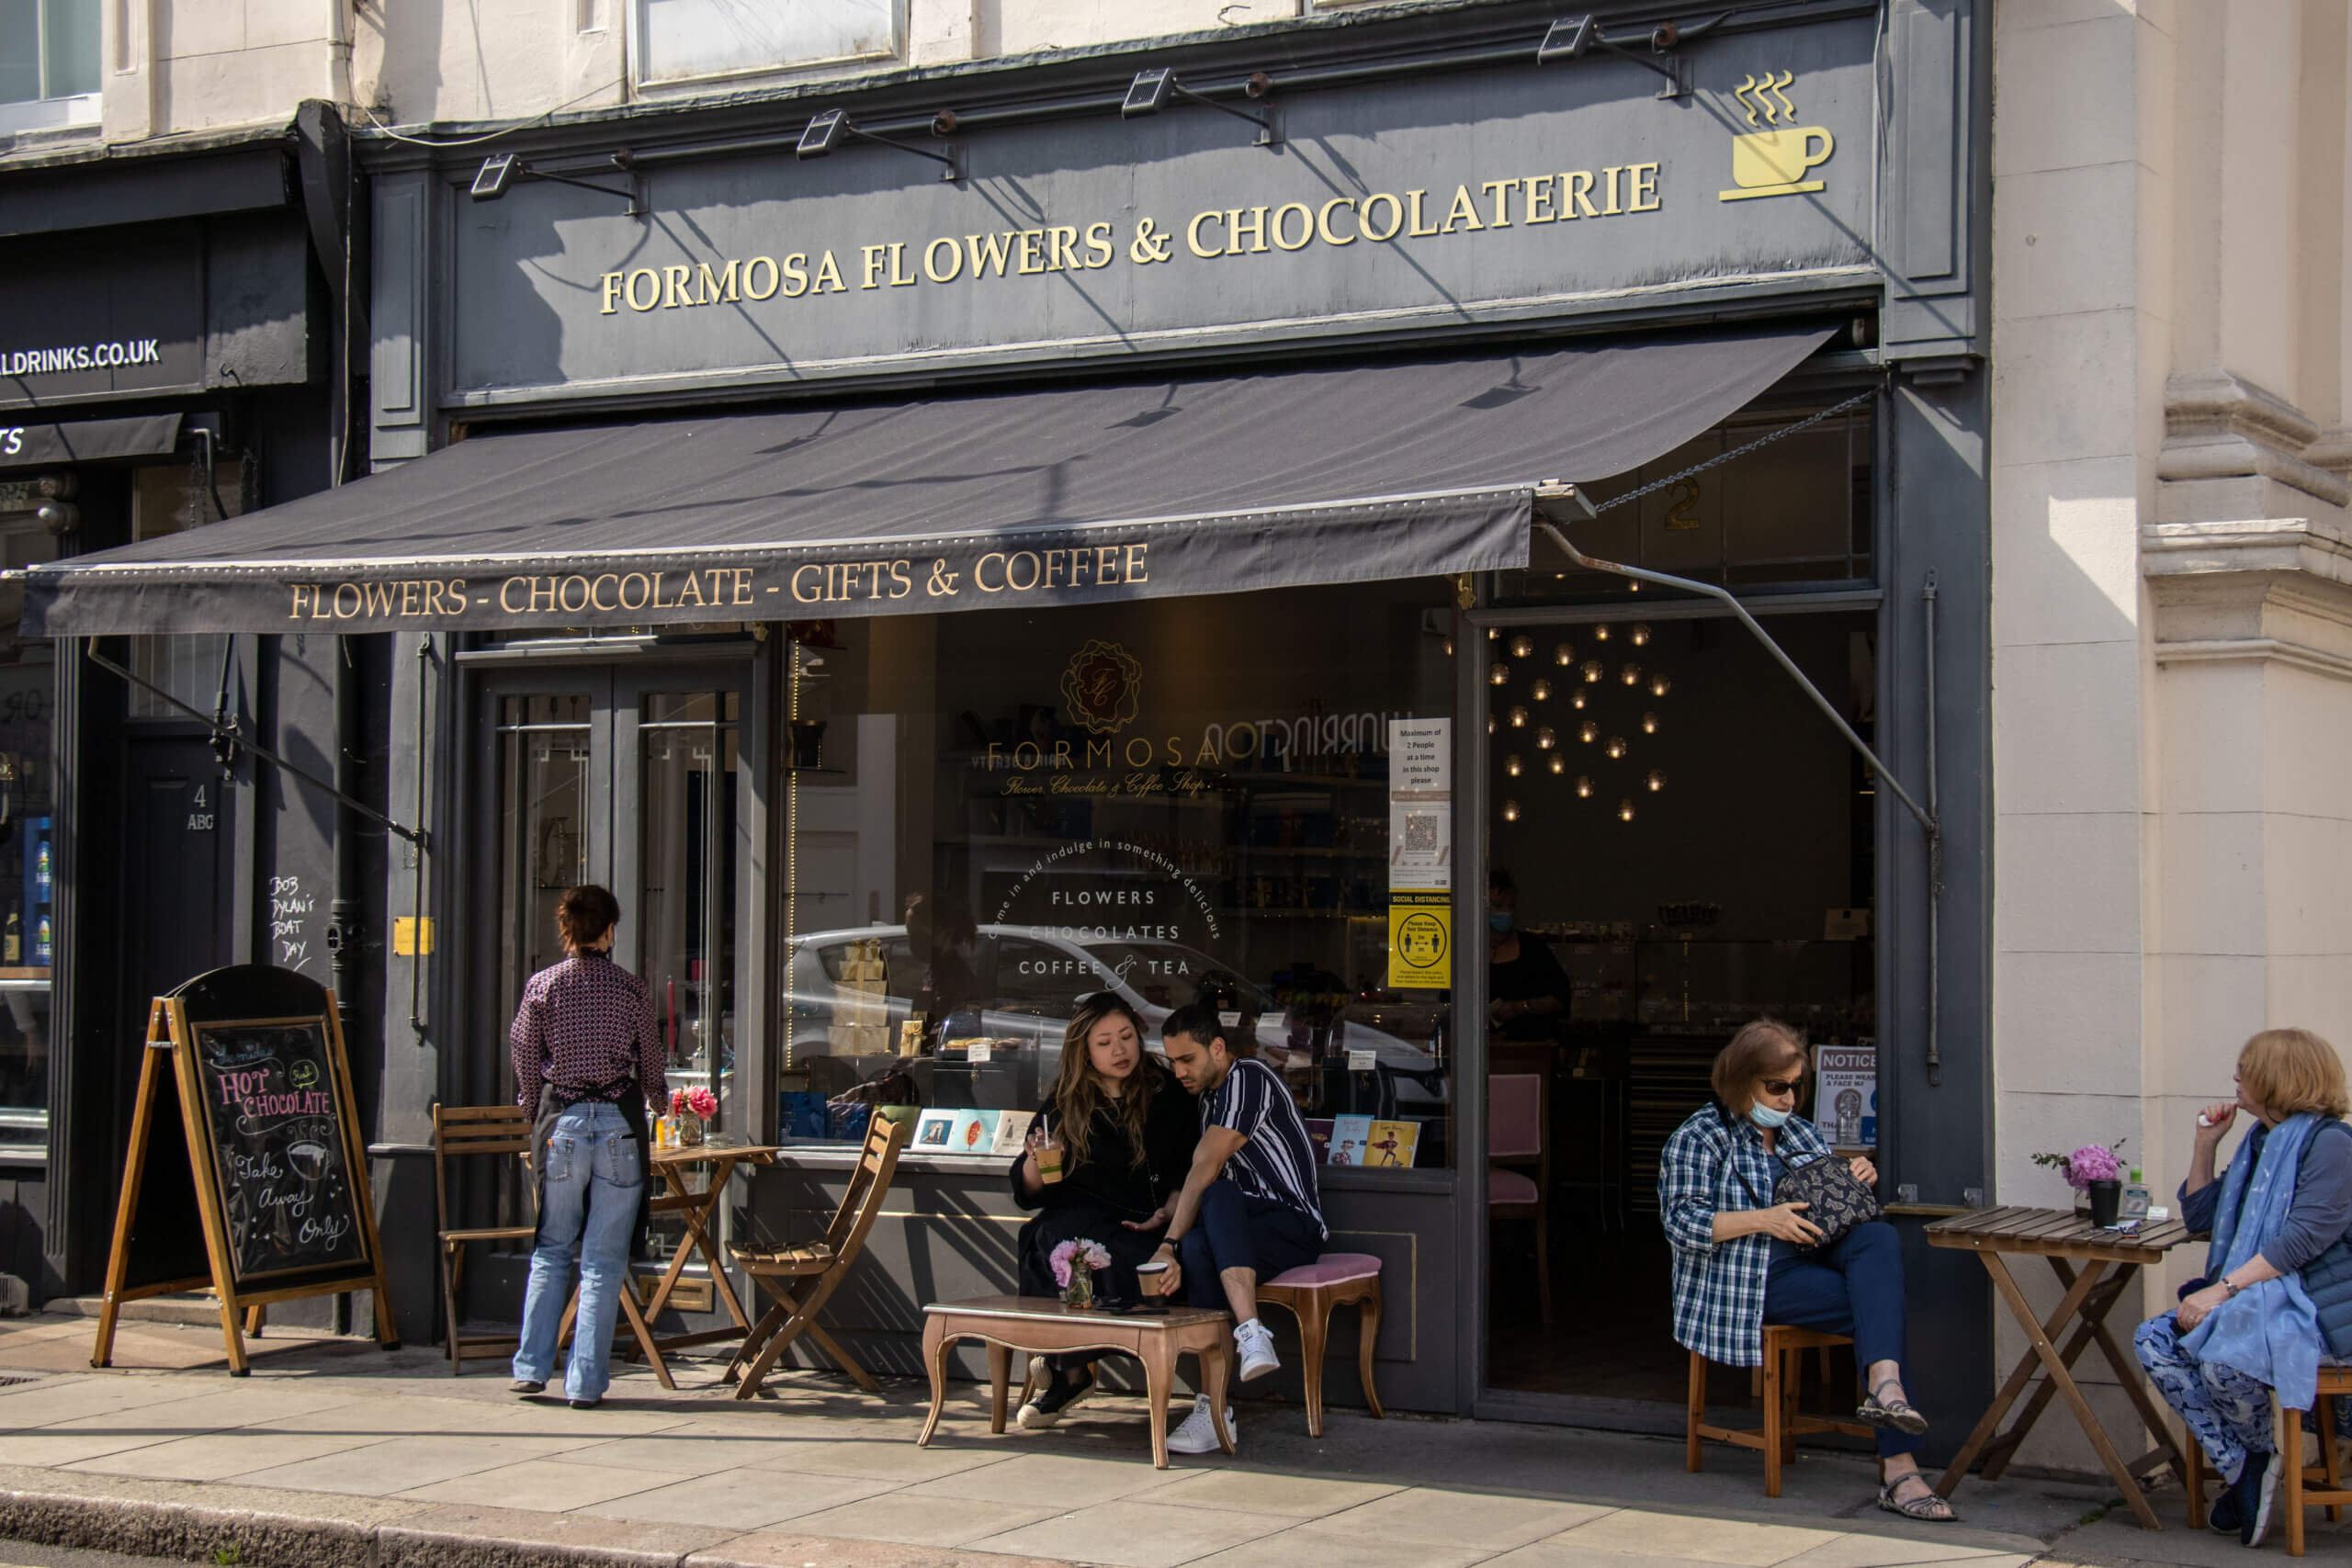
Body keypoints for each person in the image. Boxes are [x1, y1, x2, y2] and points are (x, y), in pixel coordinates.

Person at [1658, 1019, 1953, 1522]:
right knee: (1880, 1309)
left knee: (1878, 1236)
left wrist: (1856, 1172)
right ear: (1741, 1079)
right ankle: (1899, 1468)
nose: (1789, 1099)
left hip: (1814, 1256)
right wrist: (1764, 1220)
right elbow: (1680, 1222)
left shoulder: (1798, 1132)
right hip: (1749, 1278)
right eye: (1776, 1087)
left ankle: (1885, 1386)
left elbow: (1833, 1204)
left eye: (1796, 1086)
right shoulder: (1699, 1136)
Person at [2134, 1028, 2352, 1549]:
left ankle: (2252, 1469)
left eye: (2245, 1069)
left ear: (2278, 1079)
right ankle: (2249, 1465)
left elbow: (2303, 1238)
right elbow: (2203, 1215)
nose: (2235, 1078)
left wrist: (2221, 1291)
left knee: (2223, 1354)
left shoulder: (2331, 1146)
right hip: (2253, 1301)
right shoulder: (2262, 1141)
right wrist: (2205, 1145)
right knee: (2154, 1341)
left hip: (2315, 1309)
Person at [506, 885, 666, 1409]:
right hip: (618, 1127)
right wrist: (660, 1102)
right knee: (602, 1260)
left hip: (565, 1127)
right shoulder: (629, 988)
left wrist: (534, 1112)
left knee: (552, 1249)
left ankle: (531, 1368)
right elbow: (652, 1060)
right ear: (609, 929)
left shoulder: (543, 986)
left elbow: (524, 1053)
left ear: (566, 929)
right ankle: (585, 1384)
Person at [1009, 993, 1199, 1430]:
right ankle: (1070, 1371)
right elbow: (1027, 1189)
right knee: (1052, 1239)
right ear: (1085, 1050)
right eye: (1105, 1042)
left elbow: (1191, 1168)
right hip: (1078, 1217)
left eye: (1127, 1037)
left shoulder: (1165, 1092)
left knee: (1111, 1254)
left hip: (1145, 1222)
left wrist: (1169, 1210)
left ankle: (1061, 1362)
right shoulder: (1068, 1098)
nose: (1120, 1051)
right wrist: (1036, 1162)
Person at [1150, 1001, 1328, 1455]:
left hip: (1292, 1225)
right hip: (1243, 1230)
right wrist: (1173, 1228)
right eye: (1172, 1061)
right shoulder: (1207, 1097)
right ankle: (1215, 1409)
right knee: (1197, 1246)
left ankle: (1249, 1331)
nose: (1179, 1072)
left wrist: (1164, 1245)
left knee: (1213, 1200)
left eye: (1187, 1060)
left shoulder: (1248, 1078)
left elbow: (1207, 1164)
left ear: (1217, 1047)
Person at [1487, 867, 1567, 1041]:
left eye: (1511, 906)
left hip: (1529, 1053)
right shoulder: (1464, 954)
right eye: (1499, 906)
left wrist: (1521, 1006)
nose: (1506, 912)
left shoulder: (1533, 948)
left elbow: (1561, 998)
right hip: (1480, 1056)